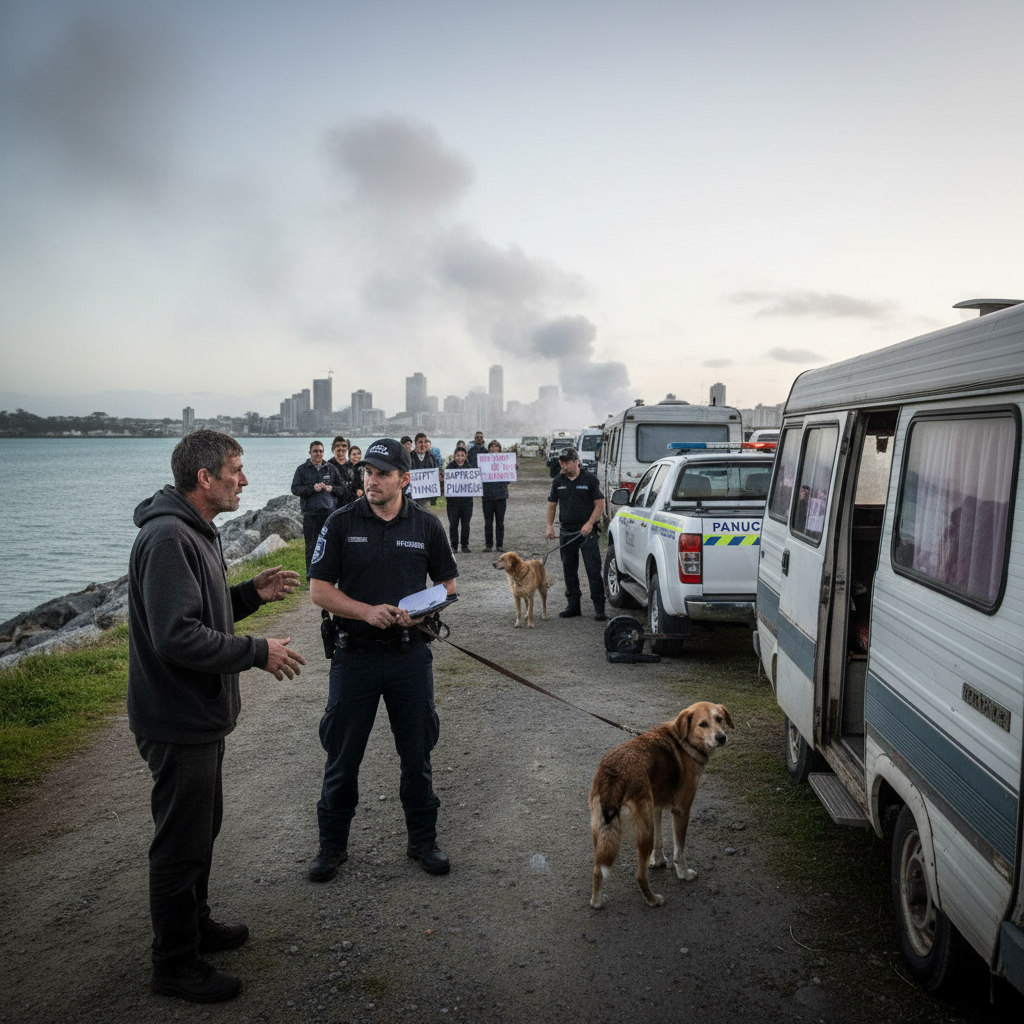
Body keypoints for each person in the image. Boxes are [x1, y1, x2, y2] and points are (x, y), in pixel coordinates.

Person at [128, 429, 306, 1003]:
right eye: (237, 469)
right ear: (205, 478)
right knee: (180, 844)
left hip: (198, 716)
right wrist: (258, 652)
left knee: (202, 831)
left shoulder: (194, 530)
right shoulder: (166, 538)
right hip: (176, 720)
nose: (245, 481)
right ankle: (174, 964)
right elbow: (176, 635)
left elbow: (200, 607)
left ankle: (195, 925)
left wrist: (249, 595)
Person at [306, 438, 458, 881]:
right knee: (342, 755)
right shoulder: (340, 522)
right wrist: (366, 611)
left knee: (417, 754)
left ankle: (422, 842)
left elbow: (447, 586)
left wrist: (421, 612)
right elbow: (319, 590)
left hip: (410, 658)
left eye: (382, 473)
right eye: (367, 472)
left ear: (404, 479)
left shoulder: (427, 526)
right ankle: (331, 848)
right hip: (354, 658)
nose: (371, 480)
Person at [545, 446, 606, 621]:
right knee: (569, 570)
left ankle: (599, 608)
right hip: (567, 531)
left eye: (567, 463)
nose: (563, 467)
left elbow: (600, 504)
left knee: (593, 570)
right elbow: (552, 504)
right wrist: (549, 526)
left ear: (576, 461)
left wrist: (590, 523)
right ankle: (573, 605)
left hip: (587, 532)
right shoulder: (558, 481)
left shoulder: (590, 479)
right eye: (561, 463)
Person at [291, 441, 345, 572]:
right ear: (310, 453)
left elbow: (342, 489)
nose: (318, 454)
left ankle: (328, 573)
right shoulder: (302, 469)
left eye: (320, 451)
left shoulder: (331, 468)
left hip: (328, 513)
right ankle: (311, 575)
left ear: (323, 452)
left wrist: (332, 488)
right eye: (315, 451)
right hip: (310, 514)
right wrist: (312, 488)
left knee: (330, 545)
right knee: (311, 547)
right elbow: (295, 489)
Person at [445, 443, 474, 553]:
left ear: (465, 456)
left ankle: (465, 545)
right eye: (458, 455)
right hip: (453, 502)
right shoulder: (449, 467)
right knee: (453, 525)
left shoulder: (470, 468)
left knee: (466, 525)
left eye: (462, 455)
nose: (460, 458)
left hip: (467, 502)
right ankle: (453, 545)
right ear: (454, 456)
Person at [481, 439, 508, 552]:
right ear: (488, 449)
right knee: (488, 522)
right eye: (491, 447)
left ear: (499, 449)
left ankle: (499, 545)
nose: (494, 448)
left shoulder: (505, 462)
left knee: (500, 522)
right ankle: (488, 545)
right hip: (487, 496)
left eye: (496, 447)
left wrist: (513, 469)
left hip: (501, 496)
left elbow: (508, 479)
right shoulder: (483, 462)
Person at [410, 431, 440, 509]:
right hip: (412, 494)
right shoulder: (410, 457)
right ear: (415, 444)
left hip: (426, 493)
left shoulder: (431, 457)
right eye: (420, 442)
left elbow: (435, 474)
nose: (423, 444)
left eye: (425, 442)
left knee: (424, 513)